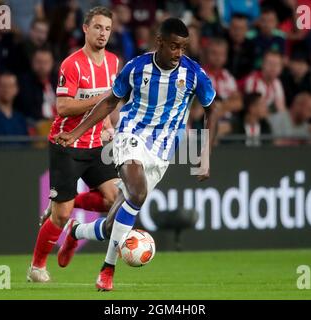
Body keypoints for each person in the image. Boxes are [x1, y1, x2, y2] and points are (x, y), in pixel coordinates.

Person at [54, 18, 218, 291]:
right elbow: (110, 101)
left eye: (183, 47)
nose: (179, 53)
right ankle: (107, 271)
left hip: (161, 153)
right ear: (160, 43)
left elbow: (213, 110)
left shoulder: (193, 74)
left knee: (111, 226)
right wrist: (76, 132)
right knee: (138, 193)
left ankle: (75, 232)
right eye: (174, 46)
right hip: (131, 136)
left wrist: (205, 155)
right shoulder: (136, 67)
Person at [27, 7, 122, 283]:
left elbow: (112, 103)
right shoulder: (72, 64)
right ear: (85, 28)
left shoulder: (114, 63)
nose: (102, 33)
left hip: (96, 146)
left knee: (114, 201)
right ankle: (37, 266)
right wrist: (100, 99)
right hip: (66, 144)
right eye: (97, 27)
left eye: (107, 28)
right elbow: (63, 107)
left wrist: (107, 125)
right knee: (62, 215)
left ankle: (67, 217)